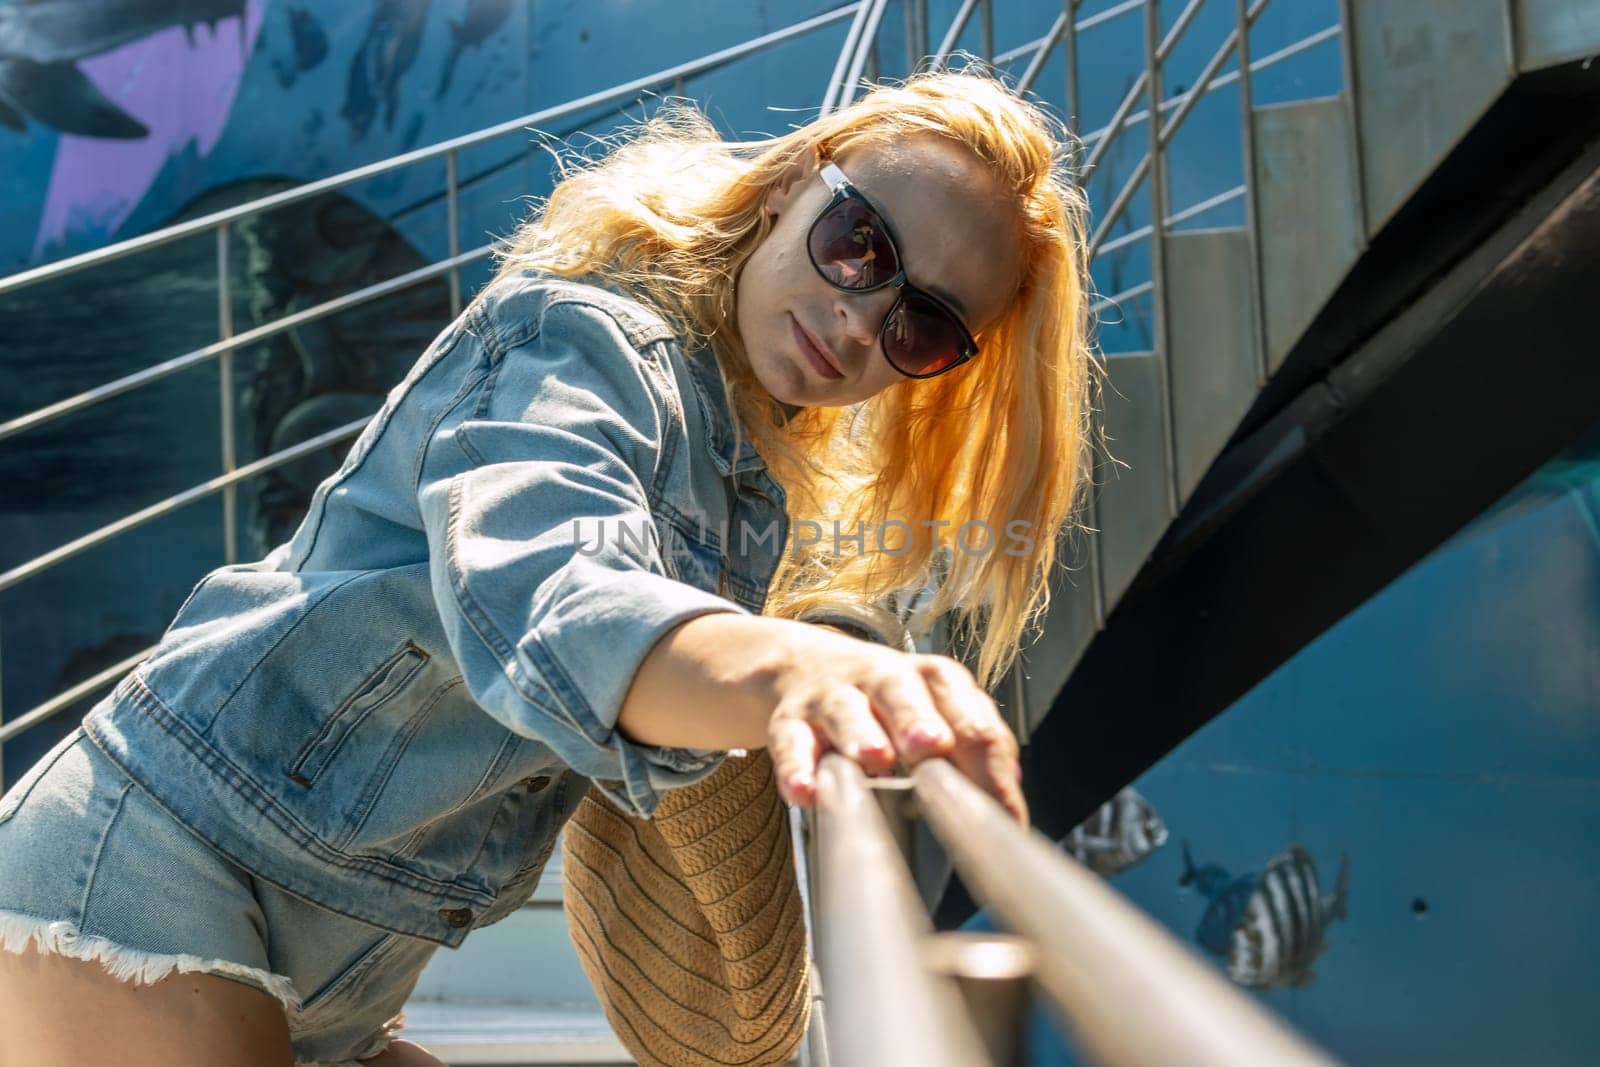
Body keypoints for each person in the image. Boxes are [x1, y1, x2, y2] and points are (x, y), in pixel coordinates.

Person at [0, 67, 1096, 1067]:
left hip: (327, 973)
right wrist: (797, 669)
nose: (862, 318)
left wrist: (803, 649)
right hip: (159, 877)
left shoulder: (734, 468)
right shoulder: (581, 341)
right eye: (859, 245)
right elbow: (554, 592)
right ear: (788, 189)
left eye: (922, 327)